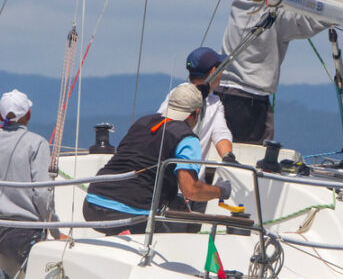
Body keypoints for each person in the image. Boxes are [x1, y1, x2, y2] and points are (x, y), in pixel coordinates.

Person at [83, 84, 232, 235]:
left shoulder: (142, 123)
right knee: (185, 228)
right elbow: (191, 190)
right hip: (129, 215)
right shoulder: (187, 138)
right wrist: (221, 191)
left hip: (92, 206)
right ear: (196, 113)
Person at [218, 0, 330, 144]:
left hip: (220, 92)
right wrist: (339, 13)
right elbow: (309, 23)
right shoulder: (277, 17)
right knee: (255, 158)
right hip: (250, 101)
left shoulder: (241, 0)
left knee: (220, 151)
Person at [0, 89, 54, 267]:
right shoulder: (37, 143)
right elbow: (41, 194)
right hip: (25, 233)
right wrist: (55, 229)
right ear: (29, 114)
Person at [158, 47, 237, 167]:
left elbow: (220, 132)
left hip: (196, 177)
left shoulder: (215, 102)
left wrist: (227, 156)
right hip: (173, 176)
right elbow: (162, 126)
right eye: (221, 68)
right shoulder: (179, 94)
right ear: (214, 71)